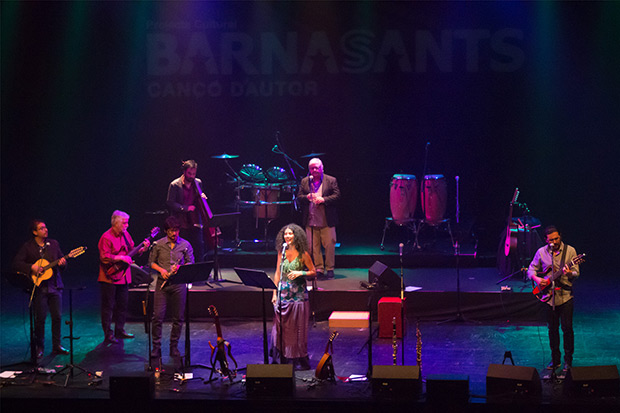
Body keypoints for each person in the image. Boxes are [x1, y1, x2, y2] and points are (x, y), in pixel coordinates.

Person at [13, 220, 69, 358]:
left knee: (57, 317)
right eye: (42, 228)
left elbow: (61, 261)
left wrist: (63, 263)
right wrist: (32, 267)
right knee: (40, 319)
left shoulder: (54, 244)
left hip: (55, 286)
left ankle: (57, 346)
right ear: (34, 232)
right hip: (39, 288)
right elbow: (16, 263)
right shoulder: (28, 247)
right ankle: (40, 347)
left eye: (45, 227)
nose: (46, 229)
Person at [527, 225, 580, 371]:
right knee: (552, 329)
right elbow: (531, 269)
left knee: (567, 329)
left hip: (565, 296)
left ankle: (568, 361)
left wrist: (569, 273)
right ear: (546, 240)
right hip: (548, 298)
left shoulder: (570, 251)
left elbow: (576, 273)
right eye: (551, 239)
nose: (554, 242)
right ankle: (555, 360)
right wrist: (538, 280)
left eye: (556, 238)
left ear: (560, 237)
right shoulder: (541, 252)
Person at [98, 210, 149, 344]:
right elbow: (104, 257)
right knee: (108, 306)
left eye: (127, 223)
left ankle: (119, 330)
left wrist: (142, 249)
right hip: (109, 277)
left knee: (122, 305)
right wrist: (120, 257)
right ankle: (108, 333)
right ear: (115, 223)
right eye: (124, 223)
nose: (127, 225)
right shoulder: (106, 237)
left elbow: (131, 251)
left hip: (123, 276)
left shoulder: (126, 235)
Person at [271, 223, 316, 370]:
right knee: (281, 328)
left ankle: (297, 359)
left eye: (290, 234)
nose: (287, 236)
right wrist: (274, 292)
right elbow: (277, 272)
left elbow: (313, 272)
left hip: (298, 297)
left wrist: (300, 273)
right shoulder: (281, 252)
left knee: (297, 329)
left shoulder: (303, 253)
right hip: (283, 294)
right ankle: (282, 357)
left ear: (296, 236)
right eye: (285, 234)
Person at [149, 216, 194, 359]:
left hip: (178, 285)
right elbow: (151, 262)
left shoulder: (186, 245)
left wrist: (180, 268)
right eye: (171, 231)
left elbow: (190, 263)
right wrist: (162, 270)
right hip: (162, 284)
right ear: (165, 231)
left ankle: (173, 346)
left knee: (178, 318)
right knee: (157, 317)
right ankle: (156, 347)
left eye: (176, 230)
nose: (174, 234)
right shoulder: (158, 244)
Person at [297, 158, 340, 280]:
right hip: (311, 218)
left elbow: (337, 196)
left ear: (322, 167)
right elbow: (299, 197)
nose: (314, 170)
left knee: (329, 244)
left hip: (327, 219)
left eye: (316, 167)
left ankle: (330, 268)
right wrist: (307, 197)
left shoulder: (331, 180)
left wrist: (324, 199)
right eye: (312, 168)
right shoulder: (305, 181)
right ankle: (319, 268)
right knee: (313, 246)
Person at [166, 159, 213, 263]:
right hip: (181, 221)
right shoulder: (175, 184)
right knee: (182, 248)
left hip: (195, 220)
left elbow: (198, 198)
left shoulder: (198, 182)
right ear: (184, 172)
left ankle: (200, 271)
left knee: (198, 247)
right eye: (189, 173)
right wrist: (185, 208)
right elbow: (170, 202)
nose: (191, 176)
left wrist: (202, 196)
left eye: (194, 174)